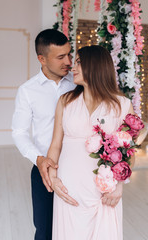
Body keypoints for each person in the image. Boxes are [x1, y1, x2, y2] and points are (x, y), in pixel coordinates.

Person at [46, 45, 135, 240]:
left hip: (104, 191)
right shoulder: (65, 101)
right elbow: (55, 145)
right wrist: (53, 178)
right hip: (69, 187)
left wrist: (119, 185)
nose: (73, 67)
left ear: (95, 66)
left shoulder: (122, 105)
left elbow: (129, 150)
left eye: (79, 62)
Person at [11, 29, 76, 240]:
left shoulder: (79, 84)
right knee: (45, 230)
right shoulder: (27, 90)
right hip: (44, 170)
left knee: (77, 227)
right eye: (60, 57)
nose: (68, 61)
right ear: (42, 58)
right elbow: (19, 132)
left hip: (78, 168)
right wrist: (38, 159)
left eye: (69, 54)